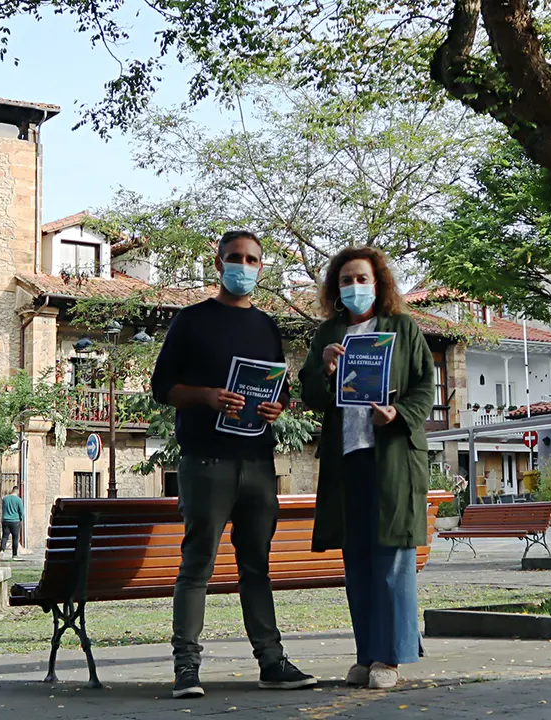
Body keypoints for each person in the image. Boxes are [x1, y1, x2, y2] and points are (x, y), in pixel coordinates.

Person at [150, 230, 316, 699]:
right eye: (235, 258)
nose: (244, 266)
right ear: (218, 263)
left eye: (253, 259)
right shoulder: (191, 321)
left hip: (259, 463)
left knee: (256, 567)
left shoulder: (266, 326)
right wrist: (206, 396)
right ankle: (186, 668)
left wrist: (276, 407)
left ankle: (272, 662)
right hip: (206, 462)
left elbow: (277, 388)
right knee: (197, 564)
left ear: (262, 267)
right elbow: (163, 388)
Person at [299, 246, 435, 690]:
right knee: (356, 559)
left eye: (362, 278)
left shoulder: (403, 327)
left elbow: (423, 387)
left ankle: (390, 657)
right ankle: (365, 654)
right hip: (347, 459)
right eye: (345, 280)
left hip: (393, 458)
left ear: (379, 282)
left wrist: (397, 415)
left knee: (392, 556)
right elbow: (311, 395)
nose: (354, 287)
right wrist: (323, 369)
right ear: (335, 289)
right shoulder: (329, 334)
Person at [1, 485, 24, 559]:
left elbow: (2, 509)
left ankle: (1, 550)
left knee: (4, 537)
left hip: (5, 520)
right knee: (15, 538)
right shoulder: (18, 500)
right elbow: (21, 511)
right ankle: (14, 554)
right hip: (15, 521)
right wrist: (21, 518)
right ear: (17, 491)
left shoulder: (5, 499)